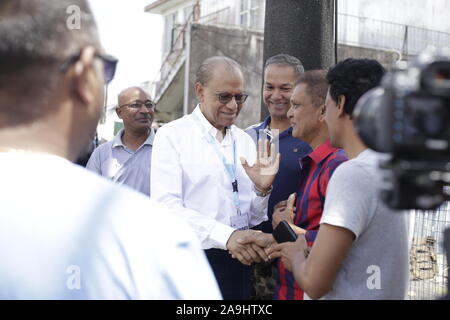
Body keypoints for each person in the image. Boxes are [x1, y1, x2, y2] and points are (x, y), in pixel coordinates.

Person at [0, 0, 221, 300]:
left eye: (148, 105)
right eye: (105, 69)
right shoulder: (157, 242)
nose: (144, 110)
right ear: (83, 74)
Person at [268, 59, 410, 299]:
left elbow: (314, 282)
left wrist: (295, 255)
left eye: (327, 104)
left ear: (340, 103)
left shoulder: (353, 173)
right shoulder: (391, 166)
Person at [150, 56, 280, 300]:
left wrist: (263, 190)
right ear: (200, 91)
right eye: (224, 97)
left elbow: (253, 217)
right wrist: (226, 236)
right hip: (192, 260)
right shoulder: (172, 136)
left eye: (239, 97)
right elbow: (165, 208)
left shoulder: (244, 140)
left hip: (239, 258)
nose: (233, 105)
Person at [245, 54, 311, 299]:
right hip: (248, 253)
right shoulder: (247, 137)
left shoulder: (310, 139)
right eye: (269, 87)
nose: (275, 96)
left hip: (293, 255)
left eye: (285, 88)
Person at [86, 86, 155, 196]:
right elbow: (89, 194)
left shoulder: (165, 149)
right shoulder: (102, 154)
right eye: (136, 105)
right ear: (119, 112)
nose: (145, 111)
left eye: (149, 105)